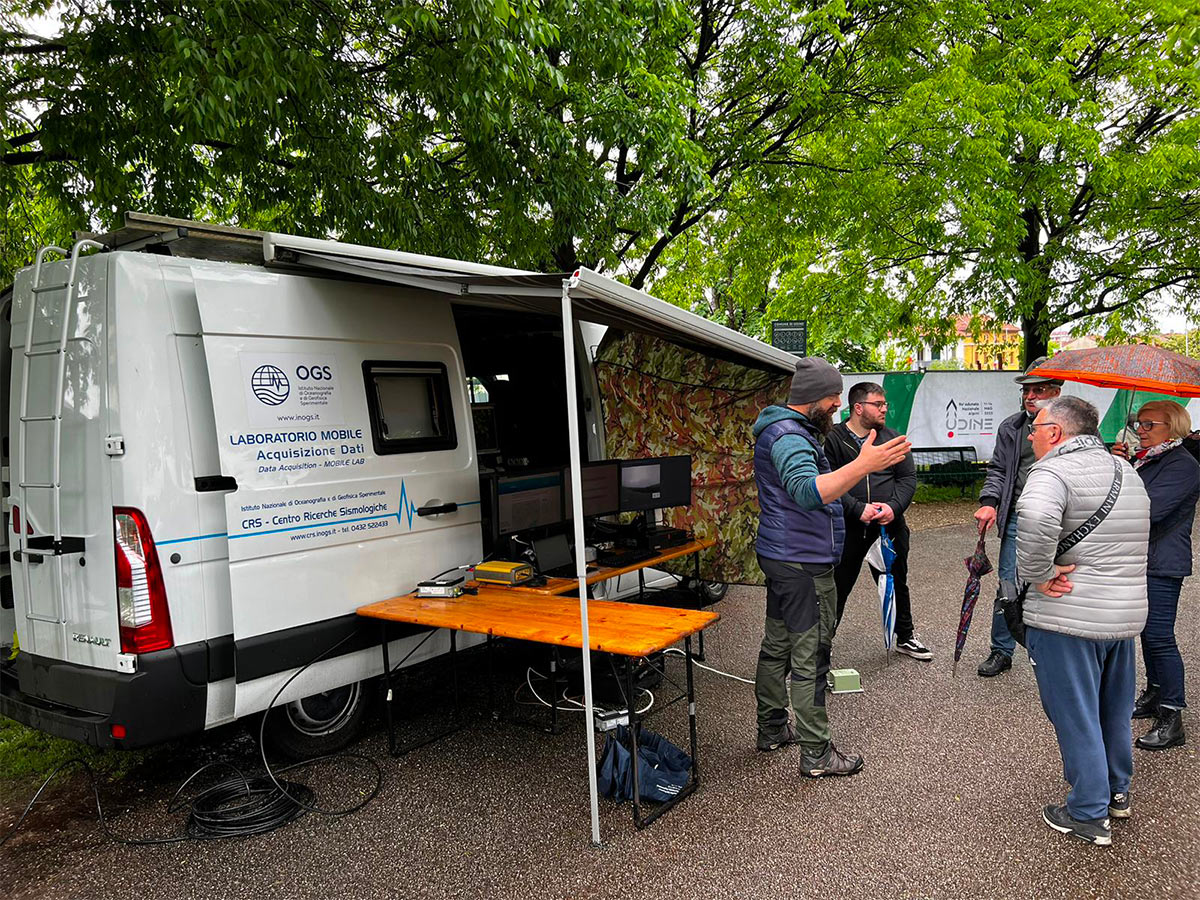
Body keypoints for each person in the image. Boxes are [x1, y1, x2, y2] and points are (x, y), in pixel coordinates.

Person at [752, 357, 910, 777]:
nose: (839, 405)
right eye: (834, 398)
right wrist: (862, 465)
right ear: (813, 400)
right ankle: (816, 754)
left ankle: (771, 728)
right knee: (811, 655)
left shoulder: (784, 430)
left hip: (783, 554)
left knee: (777, 644)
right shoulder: (789, 438)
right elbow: (807, 492)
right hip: (802, 563)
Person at [1017, 396, 1149, 846]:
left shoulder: (1052, 472)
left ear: (1056, 432)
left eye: (1036, 427)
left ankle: (1088, 813)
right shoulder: (1127, 472)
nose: (1031, 434)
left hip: (1067, 614)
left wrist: (1040, 573)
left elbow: (1033, 519)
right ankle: (1116, 792)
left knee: (1074, 713)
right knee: (1113, 709)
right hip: (1121, 615)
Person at [1112, 400, 1200, 751]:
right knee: (1146, 633)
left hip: (1162, 561)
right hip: (1140, 558)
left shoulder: (1183, 465)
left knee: (1160, 636)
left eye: (1149, 425)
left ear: (1173, 427)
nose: (1140, 430)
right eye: (1139, 423)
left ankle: (1171, 714)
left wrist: (1126, 470)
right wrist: (1119, 464)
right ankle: (1154, 693)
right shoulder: (1147, 459)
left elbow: (1147, 509)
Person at [825, 382, 931, 660]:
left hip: (889, 526)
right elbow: (828, 481)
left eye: (885, 404)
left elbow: (907, 479)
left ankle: (905, 637)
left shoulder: (893, 439)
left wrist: (893, 508)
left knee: (896, 580)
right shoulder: (834, 440)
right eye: (878, 404)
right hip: (848, 527)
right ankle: (822, 642)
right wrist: (856, 508)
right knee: (837, 585)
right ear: (858, 408)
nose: (885, 408)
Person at [974, 357, 1063, 677]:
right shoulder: (1011, 427)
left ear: (1056, 392)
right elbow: (998, 470)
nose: (1029, 396)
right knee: (1008, 585)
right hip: (1018, 517)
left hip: (1062, 521)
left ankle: (1057, 652)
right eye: (1027, 390)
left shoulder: (1073, 428)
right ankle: (1001, 650)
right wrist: (989, 502)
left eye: (1038, 390)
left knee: (1057, 584)